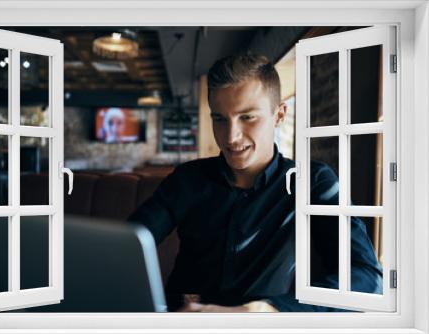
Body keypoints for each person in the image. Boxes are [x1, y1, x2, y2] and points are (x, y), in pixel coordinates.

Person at [128, 53, 382, 312]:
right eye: (220, 119)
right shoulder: (186, 179)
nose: (231, 137)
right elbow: (127, 245)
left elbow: (366, 280)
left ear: (280, 114)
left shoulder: (313, 183)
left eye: (248, 117)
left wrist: (265, 311)